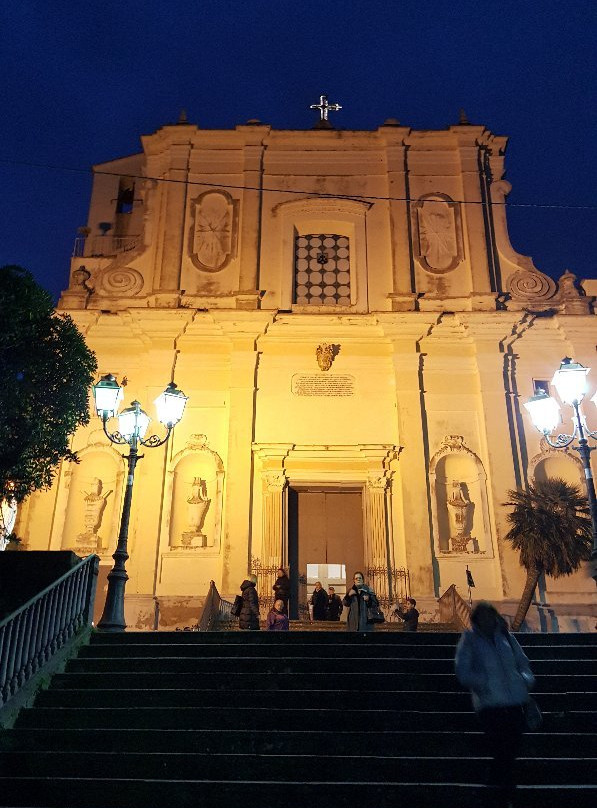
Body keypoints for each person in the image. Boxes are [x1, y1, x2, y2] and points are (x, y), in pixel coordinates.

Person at [455, 601, 535, 807]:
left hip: (516, 701)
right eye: (484, 617)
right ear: (477, 619)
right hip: (491, 704)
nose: (488, 620)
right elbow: (463, 670)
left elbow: (522, 662)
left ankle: (497, 792)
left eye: (490, 616)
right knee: (503, 749)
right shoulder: (470, 639)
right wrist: (484, 684)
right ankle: (502, 794)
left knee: (510, 749)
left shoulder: (507, 637)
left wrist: (524, 680)